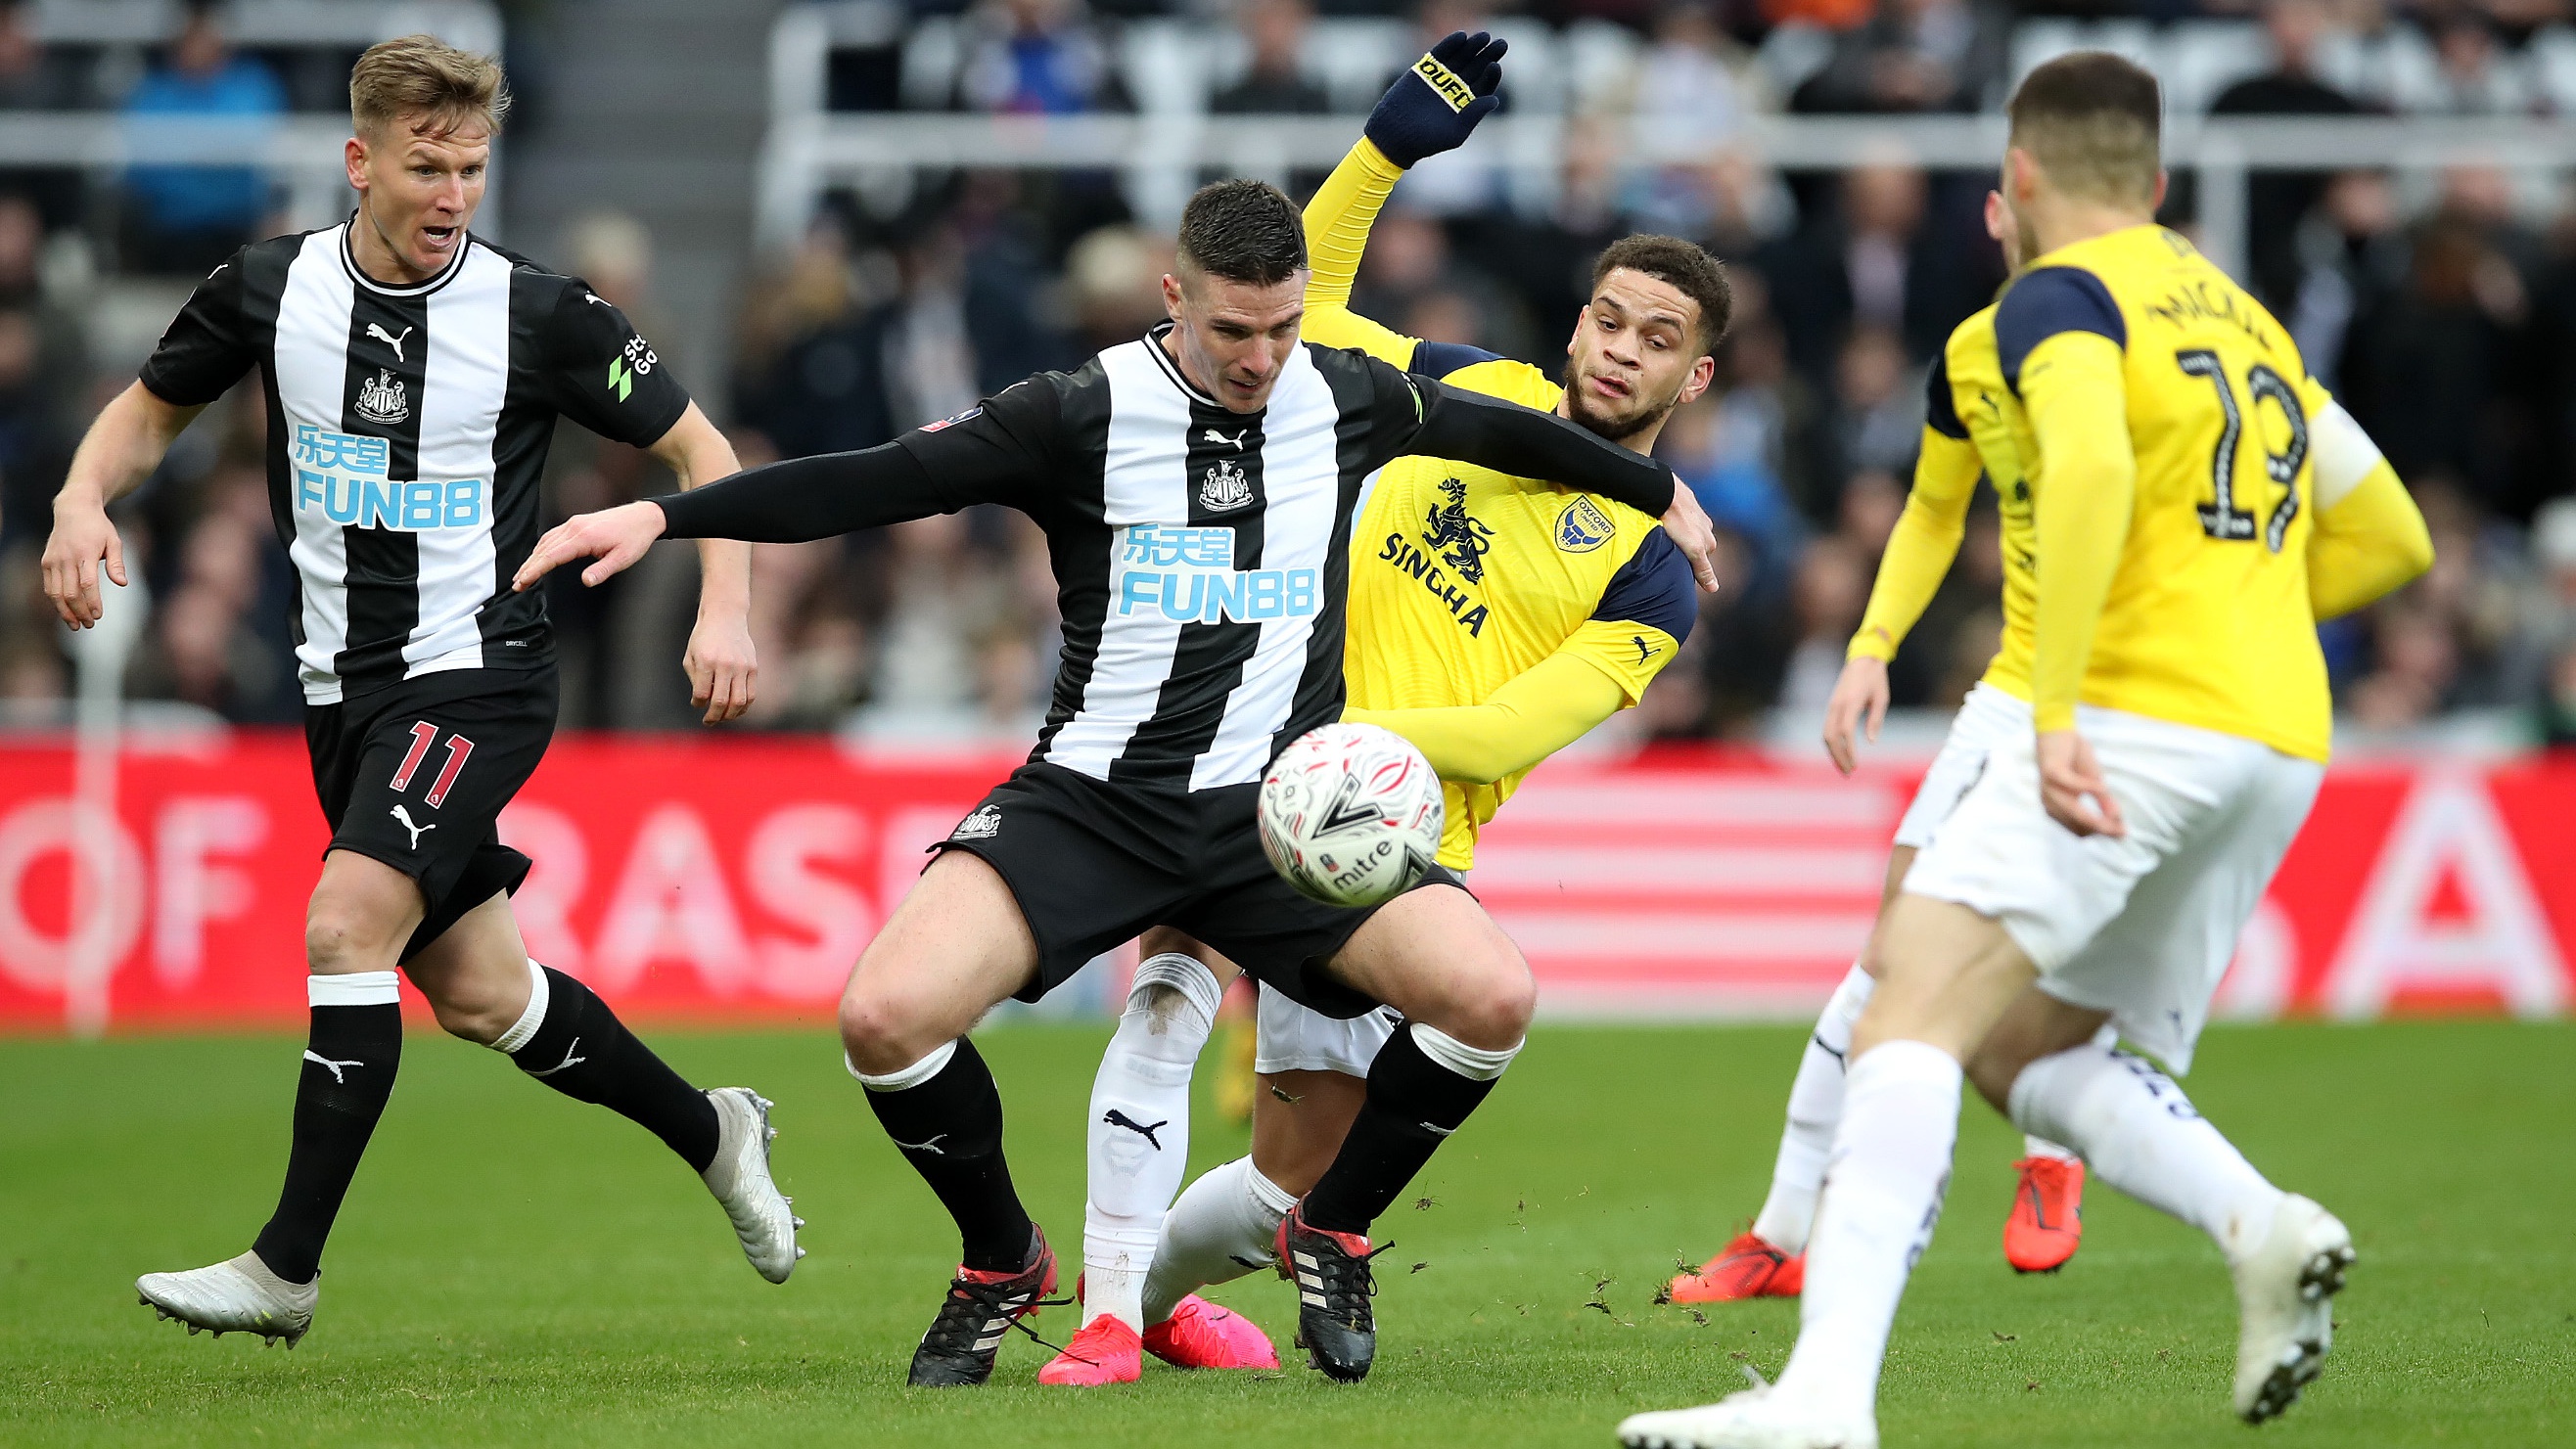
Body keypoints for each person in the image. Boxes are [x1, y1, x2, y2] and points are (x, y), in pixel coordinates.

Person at [512, 170, 1723, 1389]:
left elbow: (1500, 432)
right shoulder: (1075, 411)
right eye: (1234, 331)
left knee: (1492, 998)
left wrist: (1653, 487)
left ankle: (1334, 1226)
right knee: (883, 1020)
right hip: (1092, 801)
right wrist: (673, 520)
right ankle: (1002, 1255)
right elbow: (878, 477)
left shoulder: (1343, 395)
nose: (1262, 360)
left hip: (1271, 813)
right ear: (1172, 299)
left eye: (1285, 328)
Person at [1617, 51, 2433, 1449]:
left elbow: (2098, 470)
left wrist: (2056, 713)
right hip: (2278, 737)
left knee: (1908, 1010)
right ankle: (2265, 1224)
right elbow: (2393, 536)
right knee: (2023, 1048)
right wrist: (2234, 611)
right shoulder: (2241, 320)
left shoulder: (2058, 302)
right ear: (2161, 184)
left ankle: (1823, 1402)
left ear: (2022, 179)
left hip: (2129, 714)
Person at [41, 35, 797, 1349]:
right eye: (425, 165)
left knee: (345, 929)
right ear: (361, 160)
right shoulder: (269, 291)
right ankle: (713, 1130)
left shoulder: (538, 313)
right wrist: (76, 498)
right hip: (344, 693)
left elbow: (702, 447)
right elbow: (150, 409)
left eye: (471, 167)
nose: (452, 193)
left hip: (481, 675)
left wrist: (723, 603)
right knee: (486, 996)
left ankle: (287, 1265)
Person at [1042, 32, 1723, 1386]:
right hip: (1242, 740)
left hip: (1385, 838)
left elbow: (1526, 728)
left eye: (1660, 340)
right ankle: (1105, 1310)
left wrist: (1358, 753)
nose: (1621, 351)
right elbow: (1314, 295)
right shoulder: (1465, 389)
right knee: (1171, 982)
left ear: (1694, 379)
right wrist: (1387, 148)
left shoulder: (1651, 564)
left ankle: (1168, 1294)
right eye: (1609, 319)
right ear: (1577, 318)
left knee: (1290, 1177)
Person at [1669, 188, 2100, 1307]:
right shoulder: (1973, 350)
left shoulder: (2157, 341)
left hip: (2143, 696)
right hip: (2012, 689)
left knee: (2069, 953)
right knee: (1889, 953)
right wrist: (1870, 645)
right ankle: (1780, 1236)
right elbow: (1930, 510)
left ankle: (2058, 1149)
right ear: (1997, 210)